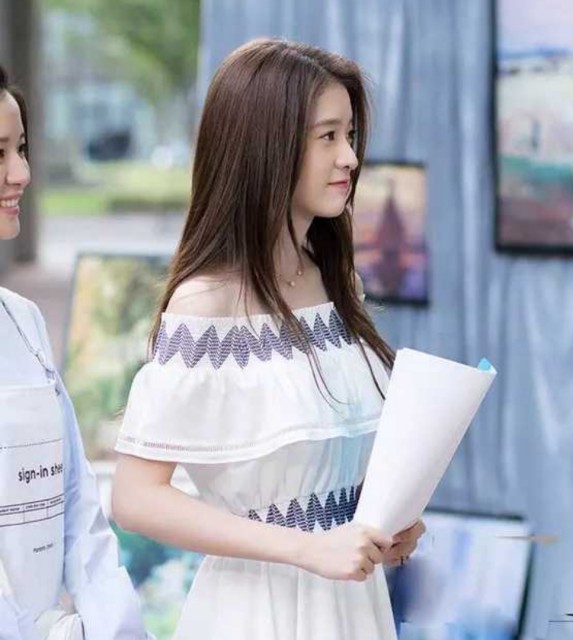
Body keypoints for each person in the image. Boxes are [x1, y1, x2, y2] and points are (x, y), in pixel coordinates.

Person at [111, 38, 425, 639]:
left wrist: (386, 527)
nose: (350, 158)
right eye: (327, 136)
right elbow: (135, 498)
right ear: (267, 146)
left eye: (350, 135)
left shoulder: (337, 284)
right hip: (256, 614)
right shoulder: (206, 305)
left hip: (354, 610)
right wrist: (307, 549)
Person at [0, 63, 150, 640]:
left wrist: (114, 630)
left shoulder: (23, 321)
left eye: (21, 148)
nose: (22, 173)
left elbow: (77, 504)